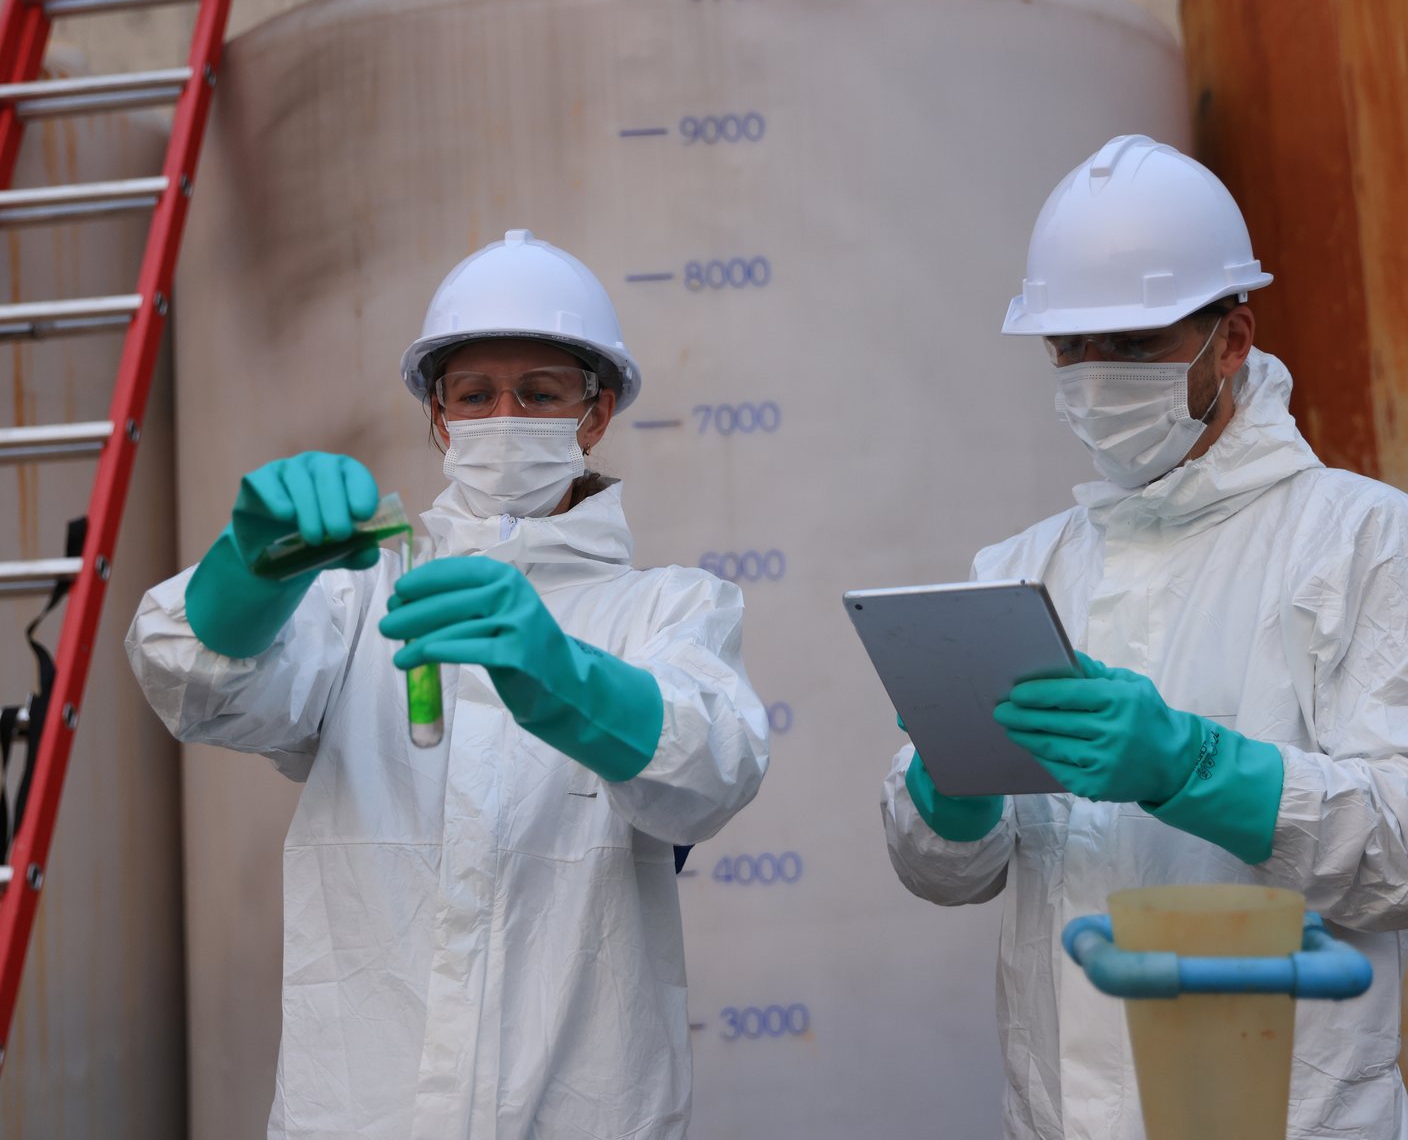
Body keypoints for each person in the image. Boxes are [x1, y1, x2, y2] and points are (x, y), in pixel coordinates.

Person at [127, 228, 770, 1140]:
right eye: (474, 394)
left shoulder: (668, 608)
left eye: (539, 394)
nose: (503, 414)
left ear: (594, 415)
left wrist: (564, 674)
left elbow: (711, 767)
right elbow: (200, 684)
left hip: (581, 1107)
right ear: (438, 415)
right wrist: (249, 574)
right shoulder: (361, 588)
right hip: (357, 1108)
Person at [882, 136, 1408, 1139]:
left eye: (1129, 344)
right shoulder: (1016, 569)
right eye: (1068, 348)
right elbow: (945, 874)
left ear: (1233, 336)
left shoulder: (1362, 536)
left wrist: (1195, 767)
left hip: (1288, 1112)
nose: (1092, 377)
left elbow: (1399, 854)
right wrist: (946, 788)